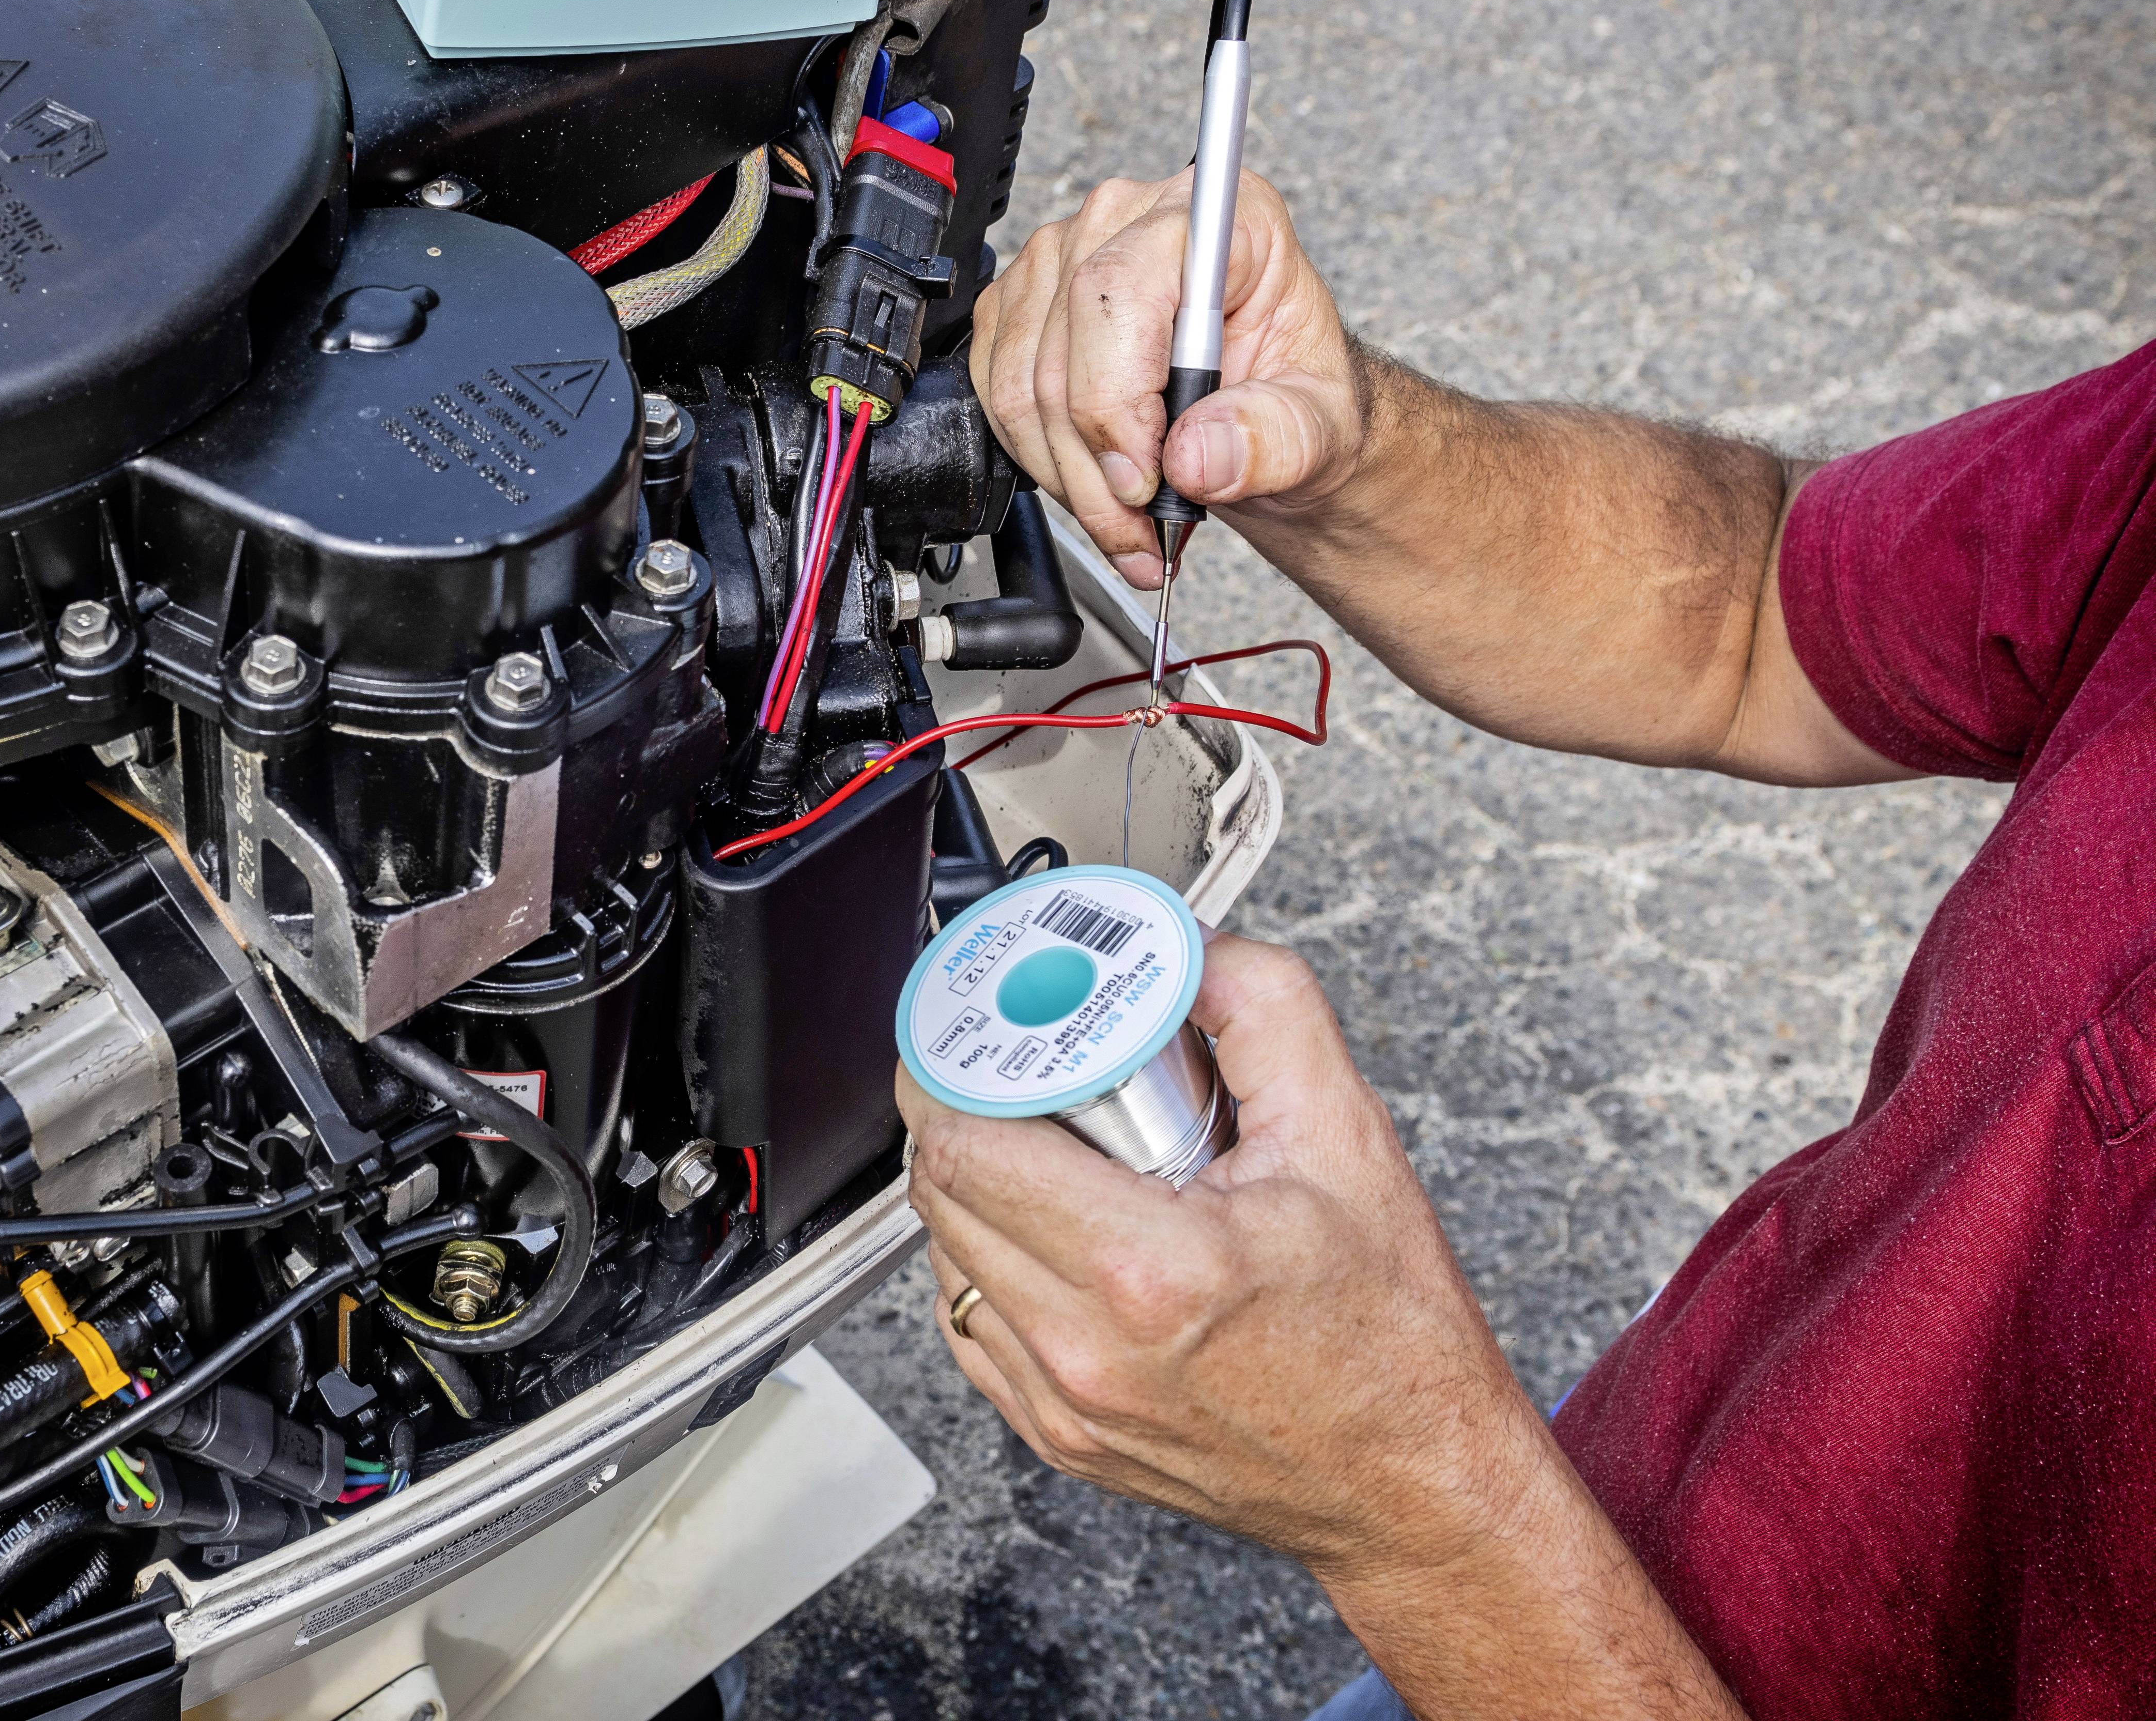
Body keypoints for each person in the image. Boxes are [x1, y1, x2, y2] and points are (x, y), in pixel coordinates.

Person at [910, 167, 2156, 1720]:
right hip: (1593, 1547)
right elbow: (1758, 613)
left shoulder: (1444, 1520)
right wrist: (1334, 438)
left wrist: (1420, 1507)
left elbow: (1437, 1523)